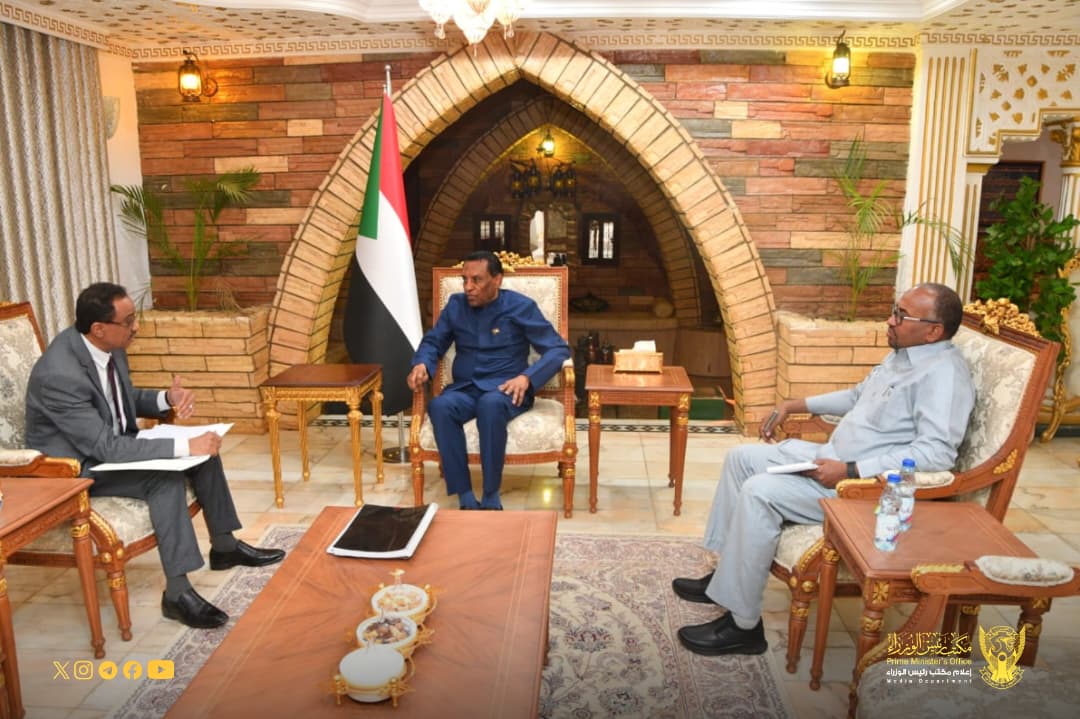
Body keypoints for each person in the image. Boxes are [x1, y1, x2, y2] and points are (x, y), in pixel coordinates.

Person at [672, 283, 975, 656]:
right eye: (894, 310)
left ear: (933, 331)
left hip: (864, 489)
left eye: (901, 315)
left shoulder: (943, 376)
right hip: (830, 459)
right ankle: (725, 578)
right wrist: (793, 404)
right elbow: (856, 396)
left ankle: (743, 627)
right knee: (742, 459)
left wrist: (851, 469)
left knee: (758, 491)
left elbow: (937, 453)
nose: (890, 320)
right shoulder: (904, 356)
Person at [25, 282, 285, 630]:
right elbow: (105, 448)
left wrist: (166, 399)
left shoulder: (108, 345)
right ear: (99, 328)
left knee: (205, 450)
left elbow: (120, 399)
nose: (135, 327)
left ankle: (224, 547)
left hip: (109, 447)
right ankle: (177, 594)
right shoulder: (59, 375)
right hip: (76, 467)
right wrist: (183, 447)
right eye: (128, 321)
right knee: (164, 478)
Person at [407, 251, 570, 510]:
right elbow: (433, 342)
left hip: (506, 391)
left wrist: (527, 378)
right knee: (439, 406)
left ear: (497, 280)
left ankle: (491, 494)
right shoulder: (456, 305)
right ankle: (465, 495)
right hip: (465, 389)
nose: (468, 287)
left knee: (490, 405)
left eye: (477, 280)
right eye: (464, 280)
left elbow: (558, 349)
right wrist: (422, 364)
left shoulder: (520, 306)